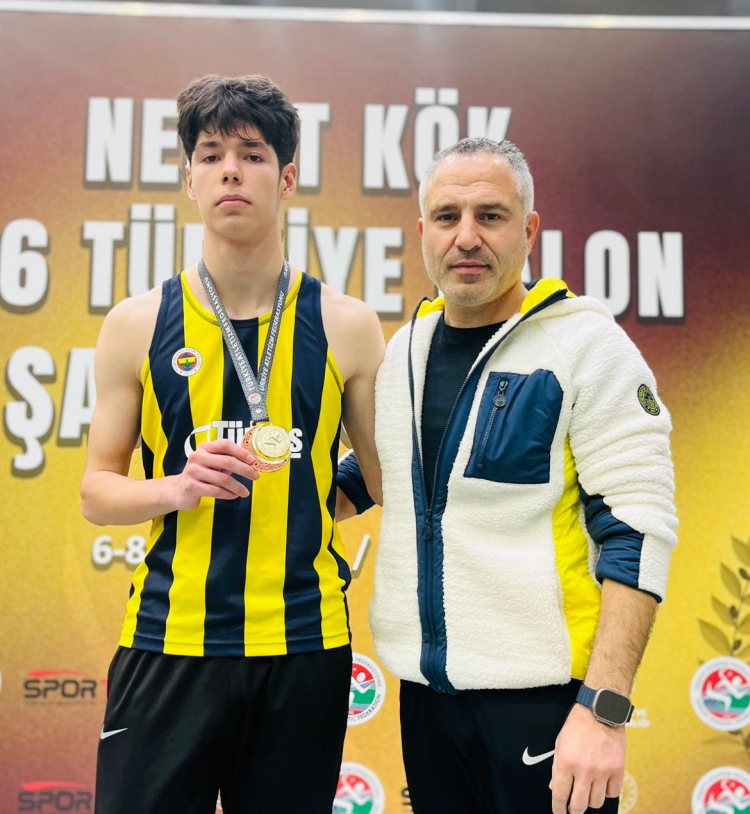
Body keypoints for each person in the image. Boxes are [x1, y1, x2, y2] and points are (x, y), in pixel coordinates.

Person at [337, 138, 678, 814]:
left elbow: (638, 533)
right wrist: (263, 492)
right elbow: (383, 474)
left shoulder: (587, 346)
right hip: (426, 701)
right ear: (422, 232)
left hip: (549, 707)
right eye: (447, 216)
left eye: (490, 216)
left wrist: (603, 710)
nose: (466, 237)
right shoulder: (405, 350)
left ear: (529, 230)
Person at [81, 74, 384, 814]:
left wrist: (310, 501)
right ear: (189, 179)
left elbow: (381, 478)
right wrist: (176, 488)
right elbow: (96, 490)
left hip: (303, 644)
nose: (230, 171)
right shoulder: (136, 323)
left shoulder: (346, 324)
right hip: (169, 639)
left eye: (251, 155)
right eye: (211, 155)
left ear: (286, 178)